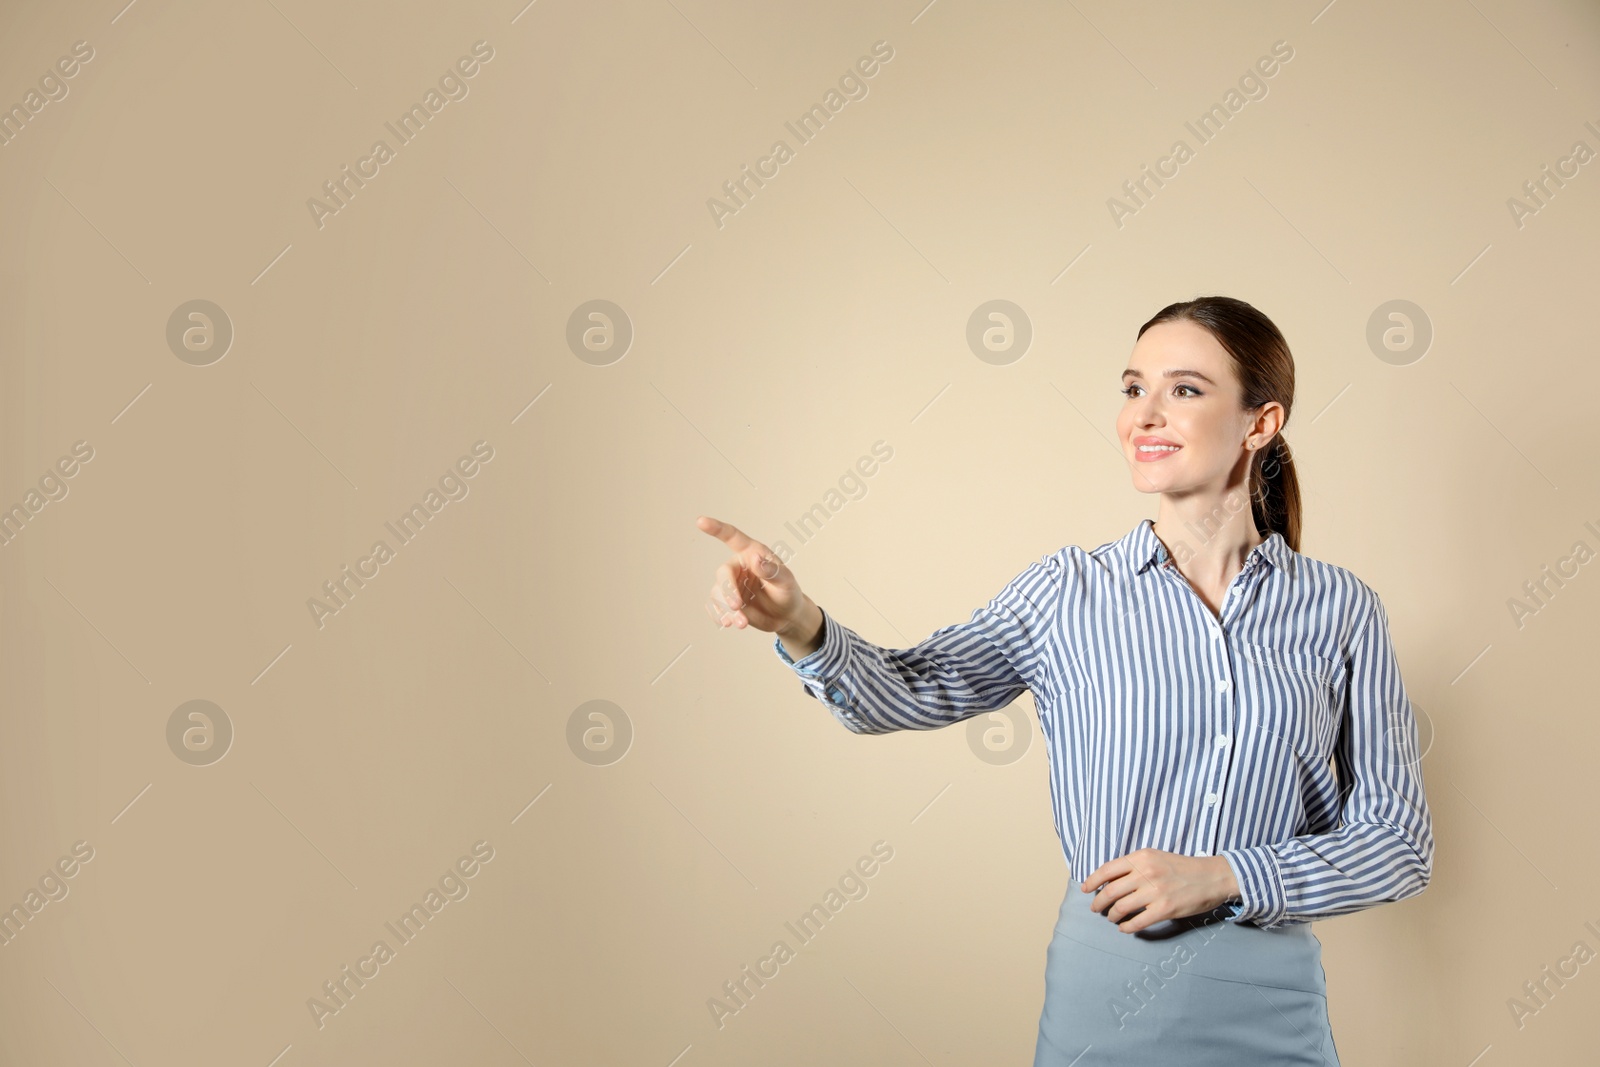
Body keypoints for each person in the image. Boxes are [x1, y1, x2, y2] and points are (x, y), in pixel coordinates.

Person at [696, 295, 1433, 1065]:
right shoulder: (1066, 592)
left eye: (1184, 389)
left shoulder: (1341, 609)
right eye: (1131, 388)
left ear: (1260, 423)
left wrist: (1224, 874)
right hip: (1105, 1006)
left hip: (1274, 1012)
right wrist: (799, 622)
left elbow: (1398, 842)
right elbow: (908, 689)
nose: (1144, 414)